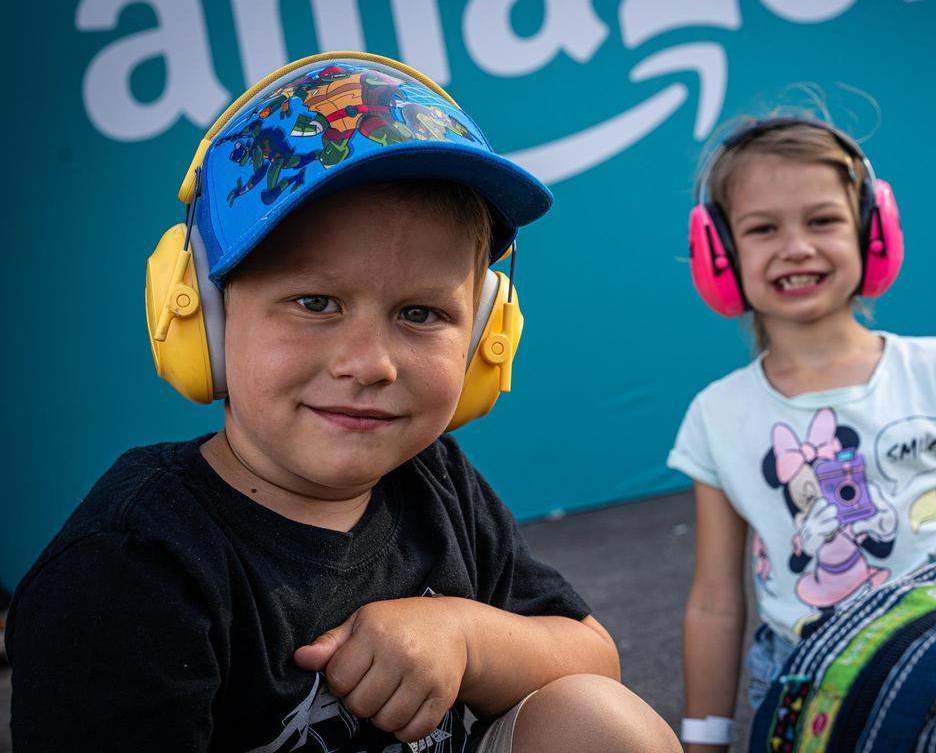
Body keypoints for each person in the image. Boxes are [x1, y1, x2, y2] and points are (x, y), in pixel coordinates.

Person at [5, 54, 680, 753]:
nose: (372, 364)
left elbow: (593, 653)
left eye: (421, 314)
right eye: (315, 303)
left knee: (598, 721)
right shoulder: (129, 566)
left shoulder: (435, 478)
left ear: (486, 337)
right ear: (202, 316)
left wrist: (465, 634)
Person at [668, 117, 936, 750]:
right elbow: (717, 600)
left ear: (872, 230)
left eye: (823, 221)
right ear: (719, 254)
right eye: (763, 229)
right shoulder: (715, 415)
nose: (797, 247)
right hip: (803, 677)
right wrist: (703, 738)